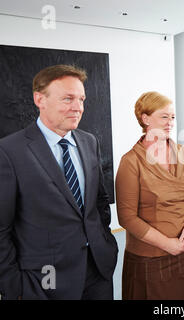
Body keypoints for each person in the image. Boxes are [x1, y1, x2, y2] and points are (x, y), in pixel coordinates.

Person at [0, 64, 118, 300]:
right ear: (39, 99)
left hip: (97, 270)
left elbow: (99, 202)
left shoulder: (89, 141)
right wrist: (16, 287)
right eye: (68, 99)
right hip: (44, 281)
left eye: (81, 99)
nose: (78, 107)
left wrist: (106, 243)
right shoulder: (9, 151)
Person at [115, 91, 184, 300]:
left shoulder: (183, 153)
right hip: (149, 257)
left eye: (172, 117)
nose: (170, 122)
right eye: (164, 117)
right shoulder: (130, 162)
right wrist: (167, 244)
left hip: (183, 249)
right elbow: (127, 218)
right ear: (145, 119)